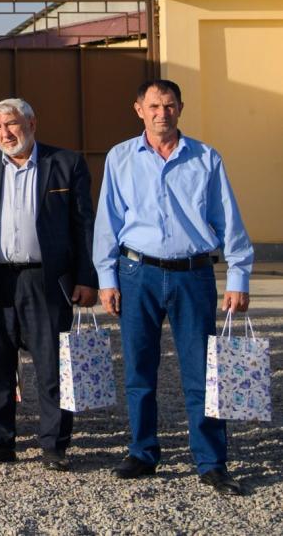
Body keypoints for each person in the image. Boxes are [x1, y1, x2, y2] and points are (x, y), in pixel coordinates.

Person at [93, 79, 254, 496]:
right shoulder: (120, 158)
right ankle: (142, 452)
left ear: (180, 108)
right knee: (139, 369)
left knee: (202, 371)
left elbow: (229, 220)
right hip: (136, 274)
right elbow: (108, 222)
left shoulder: (206, 158)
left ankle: (211, 461)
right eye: (153, 106)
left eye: (169, 105)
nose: (161, 113)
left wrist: (238, 276)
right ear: (138, 109)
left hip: (193, 275)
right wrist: (107, 278)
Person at [0, 98, 97, 470]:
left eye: (11, 124)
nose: (5, 133)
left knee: (51, 366)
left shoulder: (65, 164)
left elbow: (84, 226)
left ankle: (53, 445)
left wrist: (86, 277)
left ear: (31, 122)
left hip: (44, 279)